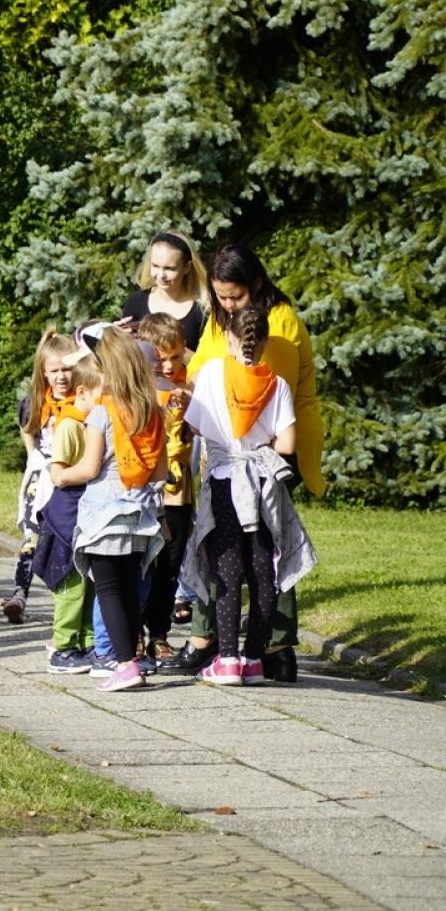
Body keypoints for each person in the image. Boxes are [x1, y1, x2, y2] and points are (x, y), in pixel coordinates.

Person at [156, 242, 324, 681]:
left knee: (267, 551)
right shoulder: (220, 319)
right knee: (222, 551)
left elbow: (261, 396)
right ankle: (213, 639)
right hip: (225, 452)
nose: (227, 305)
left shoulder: (279, 324)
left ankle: (274, 645)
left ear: (257, 285)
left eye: (236, 297)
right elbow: (211, 367)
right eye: (221, 297)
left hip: (262, 456)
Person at [181, 305, 316, 686]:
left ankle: (226, 659)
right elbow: (287, 443)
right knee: (262, 570)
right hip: (261, 484)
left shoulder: (211, 374)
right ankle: (254, 658)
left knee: (227, 570)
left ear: (228, 338)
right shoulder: (278, 384)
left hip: (225, 479)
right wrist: (259, 442)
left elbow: (193, 426)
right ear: (264, 343)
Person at [49, 327, 167, 692]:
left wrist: (61, 475)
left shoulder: (102, 414)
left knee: (109, 590)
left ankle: (124, 664)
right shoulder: (151, 412)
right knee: (130, 589)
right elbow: (161, 472)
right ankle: (131, 656)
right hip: (140, 515)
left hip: (104, 514)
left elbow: (88, 468)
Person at [135, 313, 196, 664]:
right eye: (162, 358)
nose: (171, 365)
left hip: (179, 492)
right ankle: (134, 633)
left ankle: (159, 632)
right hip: (149, 491)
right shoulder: (141, 395)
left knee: (170, 567)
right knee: (146, 564)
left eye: (176, 356)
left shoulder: (188, 390)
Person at [5, 328, 78, 624]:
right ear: (44, 373)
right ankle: (19, 593)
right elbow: (27, 427)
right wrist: (33, 454)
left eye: (67, 369)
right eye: (54, 371)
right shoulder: (38, 402)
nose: (61, 377)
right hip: (43, 477)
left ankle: (66, 598)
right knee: (31, 537)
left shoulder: (81, 402)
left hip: (70, 479)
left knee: (64, 538)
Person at [37, 349, 99, 673]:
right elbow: (57, 472)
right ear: (82, 392)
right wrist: (89, 471)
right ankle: (62, 648)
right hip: (66, 517)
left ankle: (87, 642)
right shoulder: (71, 426)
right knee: (71, 586)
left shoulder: (93, 422)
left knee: (89, 584)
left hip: (87, 515)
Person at [117, 230, 209, 351]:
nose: (161, 275)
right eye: (155, 266)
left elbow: (206, 362)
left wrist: (170, 348)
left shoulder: (202, 311)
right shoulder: (136, 301)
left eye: (169, 268)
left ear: (186, 267)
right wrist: (115, 336)